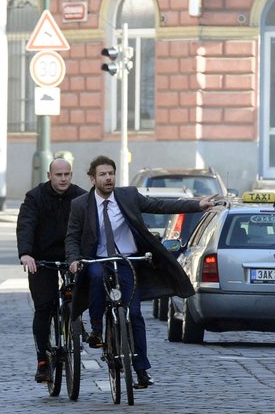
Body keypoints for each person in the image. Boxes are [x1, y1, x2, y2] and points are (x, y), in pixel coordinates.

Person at [65, 155, 215, 388]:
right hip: (98, 260)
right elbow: (72, 236)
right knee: (94, 276)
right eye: (103, 174)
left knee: (134, 314)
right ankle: (96, 328)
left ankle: (142, 369)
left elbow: (160, 206)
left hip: (127, 261)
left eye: (111, 173)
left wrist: (196, 205)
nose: (108, 178)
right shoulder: (80, 205)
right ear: (93, 179)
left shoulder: (128, 196)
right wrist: (74, 259)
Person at [16, 157, 88, 383]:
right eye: (59, 175)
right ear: (49, 176)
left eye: (67, 174)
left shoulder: (81, 196)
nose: (64, 178)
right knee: (44, 307)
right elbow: (26, 225)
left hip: (71, 256)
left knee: (81, 293)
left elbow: (90, 226)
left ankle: (76, 324)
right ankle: (43, 361)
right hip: (41, 258)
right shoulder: (34, 197)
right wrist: (26, 253)